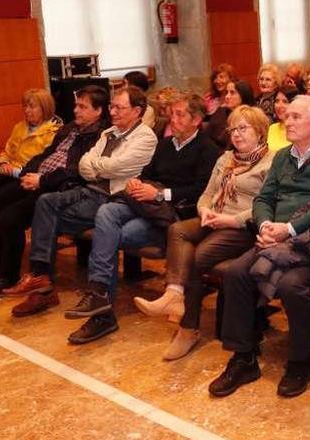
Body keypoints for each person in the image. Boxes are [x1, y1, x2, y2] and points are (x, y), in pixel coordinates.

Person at [208, 95, 310, 399]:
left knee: (292, 285)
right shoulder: (282, 157)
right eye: (287, 117)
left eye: (296, 117)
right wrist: (264, 226)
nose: (287, 122)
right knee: (237, 272)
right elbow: (264, 199)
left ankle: (301, 362)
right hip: (274, 237)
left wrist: (290, 229)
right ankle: (244, 357)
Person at [62, 92, 220, 344]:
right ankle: (99, 293)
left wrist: (160, 194)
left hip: (171, 215)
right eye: (172, 113)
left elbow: (202, 191)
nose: (173, 119)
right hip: (146, 204)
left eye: (180, 114)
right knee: (106, 212)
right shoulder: (166, 144)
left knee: (113, 235)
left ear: (197, 120)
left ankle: (101, 310)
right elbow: (149, 171)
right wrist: (139, 181)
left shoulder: (208, 149)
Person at [4, 87, 159, 317]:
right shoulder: (108, 133)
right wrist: (99, 167)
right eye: (112, 107)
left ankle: (48, 288)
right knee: (45, 203)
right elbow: (84, 166)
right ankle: (41, 278)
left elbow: (115, 166)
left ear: (137, 111)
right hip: (89, 190)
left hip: (111, 198)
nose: (113, 112)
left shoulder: (145, 136)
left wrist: (97, 166)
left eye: (119, 107)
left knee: (47, 216)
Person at [134, 105, 273, 360]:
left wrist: (231, 219)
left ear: (260, 131)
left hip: (242, 226)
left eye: (243, 128)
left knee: (196, 257)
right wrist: (204, 211)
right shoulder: (225, 158)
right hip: (215, 217)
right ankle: (175, 294)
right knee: (178, 230)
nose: (236, 134)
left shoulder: (271, 162)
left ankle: (187, 329)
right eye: (233, 129)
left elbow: (267, 204)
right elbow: (207, 194)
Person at [0, 86, 108, 301]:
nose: (75, 110)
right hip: (36, 178)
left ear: (98, 111)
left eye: (82, 106)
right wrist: (28, 171)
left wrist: (41, 180)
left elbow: (77, 171)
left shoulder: (100, 136)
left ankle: (7, 276)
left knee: (9, 217)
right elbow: (46, 154)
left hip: (57, 187)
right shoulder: (70, 129)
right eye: (76, 105)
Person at [0, 88, 61, 250]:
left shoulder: (53, 133)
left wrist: (16, 170)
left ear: (44, 108)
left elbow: (43, 163)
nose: (26, 110)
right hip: (8, 169)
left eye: (31, 106)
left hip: (25, 175)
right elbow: (7, 151)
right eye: (25, 106)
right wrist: (2, 163)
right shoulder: (19, 127)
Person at [205, 80, 255, 148]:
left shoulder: (251, 117)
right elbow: (207, 135)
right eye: (227, 92)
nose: (227, 96)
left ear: (243, 95)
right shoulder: (221, 111)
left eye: (232, 93)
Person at [268, 87, 298, 152]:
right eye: (277, 101)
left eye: (285, 102)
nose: (279, 105)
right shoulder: (272, 128)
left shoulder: (301, 129)